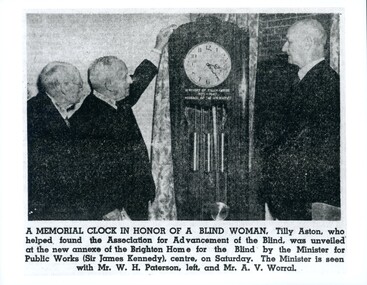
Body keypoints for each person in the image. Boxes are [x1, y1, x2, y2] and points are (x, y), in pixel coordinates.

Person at [71, 25, 176, 220]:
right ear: (110, 85)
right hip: (115, 211)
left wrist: (158, 47)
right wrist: (107, 209)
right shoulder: (85, 121)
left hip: (135, 201)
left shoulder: (117, 99)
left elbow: (140, 79)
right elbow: (86, 174)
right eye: (124, 77)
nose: (130, 80)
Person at [260, 19, 340, 220]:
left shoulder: (326, 84)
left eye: (289, 41)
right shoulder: (306, 79)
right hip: (292, 199)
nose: (284, 47)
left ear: (306, 43)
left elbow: (307, 147)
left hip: (303, 201)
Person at [28, 62, 85, 220]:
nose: (82, 88)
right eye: (79, 84)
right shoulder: (37, 115)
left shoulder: (46, 109)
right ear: (64, 87)